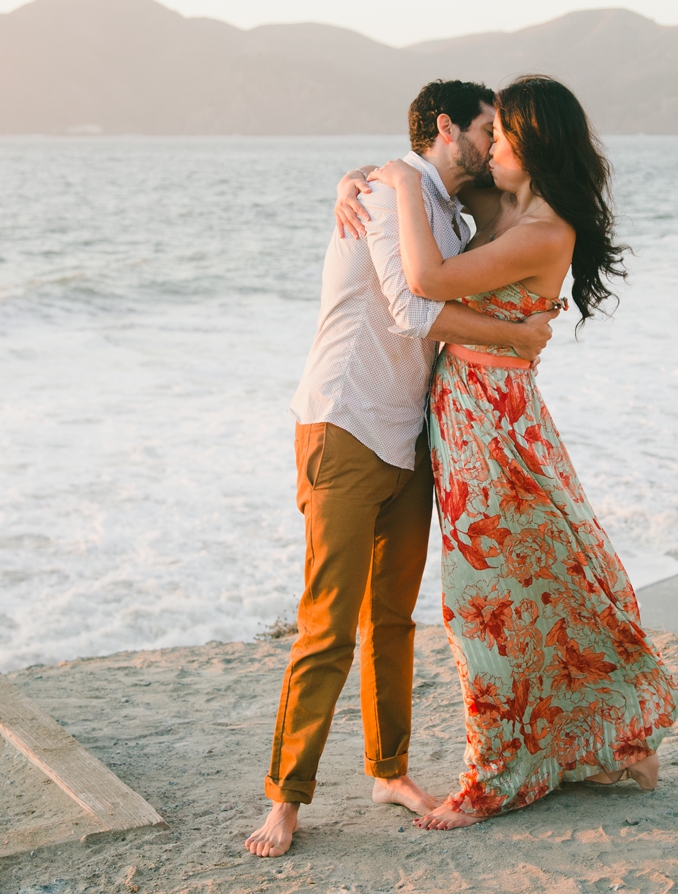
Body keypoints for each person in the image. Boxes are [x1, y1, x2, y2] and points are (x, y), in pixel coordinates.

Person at [336, 75, 678, 830]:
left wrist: (392, 176)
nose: (492, 145)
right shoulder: (500, 207)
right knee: (542, 580)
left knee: (484, 601)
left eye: (505, 136)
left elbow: (426, 279)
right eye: (490, 134)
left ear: (536, 145)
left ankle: (496, 774)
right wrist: (363, 176)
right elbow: (433, 185)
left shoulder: (546, 229)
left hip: (493, 423)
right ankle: (614, 743)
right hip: (464, 415)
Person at [244, 80, 560, 858]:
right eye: (487, 129)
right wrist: (514, 338)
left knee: (391, 618)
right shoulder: (391, 198)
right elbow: (415, 308)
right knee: (327, 623)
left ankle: (388, 770)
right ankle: (286, 797)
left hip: (408, 433)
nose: (494, 144)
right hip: (346, 423)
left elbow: (522, 211)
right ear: (447, 127)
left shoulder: (445, 209)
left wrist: (364, 167)